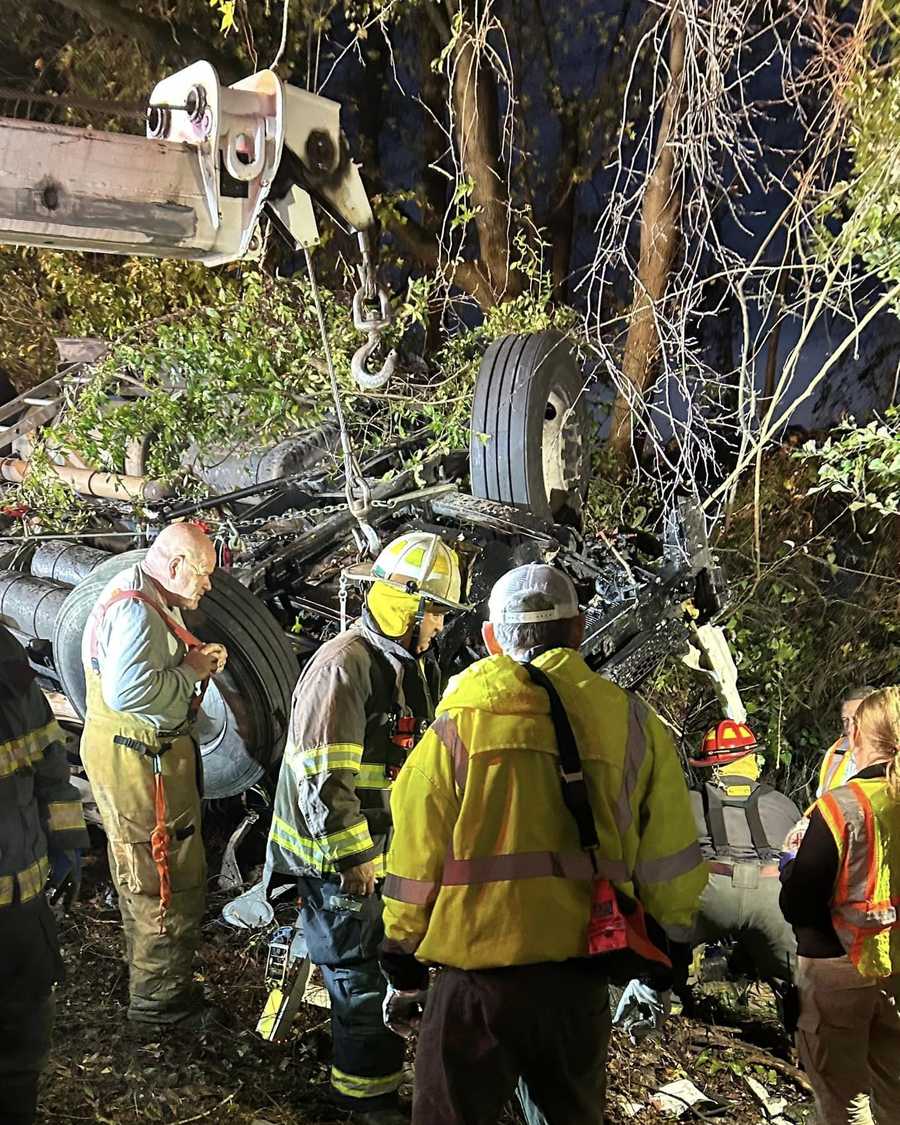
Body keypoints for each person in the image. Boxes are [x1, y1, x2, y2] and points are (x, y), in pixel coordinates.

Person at [380, 563, 707, 1125]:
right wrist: (668, 953)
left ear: (490, 638)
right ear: (579, 632)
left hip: (473, 990)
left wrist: (399, 955)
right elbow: (670, 859)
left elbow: (415, 859)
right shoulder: (633, 725)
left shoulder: (457, 729)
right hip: (578, 983)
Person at [265, 532, 465, 1125]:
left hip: (375, 852)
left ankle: (372, 1083)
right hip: (335, 860)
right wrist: (353, 858)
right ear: (411, 604)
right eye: (436, 615)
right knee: (357, 979)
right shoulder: (344, 666)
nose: (437, 630)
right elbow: (323, 778)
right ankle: (364, 1103)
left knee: (378, 972)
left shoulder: (402, 665)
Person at [79, 522, 226, 1029]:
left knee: (148, 865)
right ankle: (159, 1008)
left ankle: (154, 979)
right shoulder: (138, 613)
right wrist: (190, 673)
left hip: (139, 756)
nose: (208, 584)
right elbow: (129, 694)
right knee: (163, 876)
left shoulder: (138, 592)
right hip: (143, 764)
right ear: (173, 565)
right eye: (203, 573)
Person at [780, 685, 900, 1125]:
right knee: (894, 1092)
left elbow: (799, 900)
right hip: (895, 967)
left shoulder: (842, 804)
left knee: (843, 1103)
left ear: (860, 732)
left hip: (838, 963)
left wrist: (791, 859)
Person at [0, 624, 89, 1124]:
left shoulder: (7, 662)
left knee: (22, 1042)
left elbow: (50, 765)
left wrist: (68, 840)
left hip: (22, 912)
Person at [687, 721, 800, 987]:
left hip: (711, 891)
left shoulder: (688, 799)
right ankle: (798, 1019)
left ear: (712, 766)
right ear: (751, 760)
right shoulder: (783, 803)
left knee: (659, 955)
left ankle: (652, 1012)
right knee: (798, 977)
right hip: (771, 894)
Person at [817, 686, 876, 797]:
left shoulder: (892, 756)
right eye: (845, 720)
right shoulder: (837, 751)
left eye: (856, 719)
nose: (849, 727)